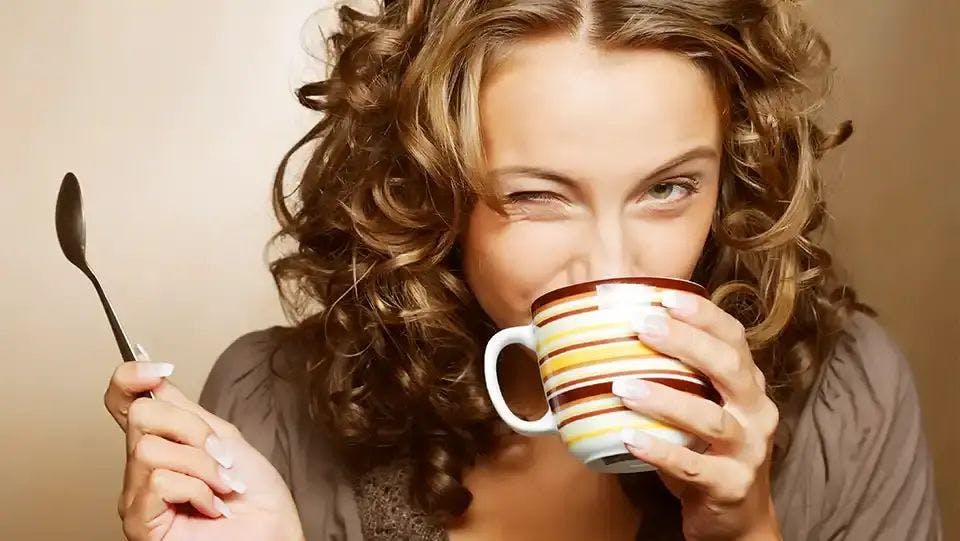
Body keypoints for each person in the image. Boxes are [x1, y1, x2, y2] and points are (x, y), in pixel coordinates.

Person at [102, 1, 942, 539]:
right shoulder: (267, 412)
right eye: (540, 197)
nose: (613, 263)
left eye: (670, 187)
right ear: (427, 192)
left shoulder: (849, 402)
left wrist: (747, 530)